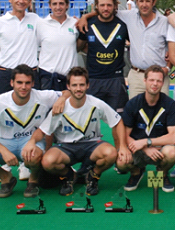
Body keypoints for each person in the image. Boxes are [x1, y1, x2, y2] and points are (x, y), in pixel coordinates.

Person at [25, 67, 130, 196]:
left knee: (111, 153)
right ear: (68, 86)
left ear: (88, 85)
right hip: (66, 147)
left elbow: (118, 122)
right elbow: (42, 130)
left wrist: (123, 147)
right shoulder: (60, 108)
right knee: (48, 161)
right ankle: (69, 175)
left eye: (82, 85)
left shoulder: (97, 104)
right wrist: (31, 142)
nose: (78, 89)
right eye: (74, 85)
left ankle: (93, 176)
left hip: (91, 145)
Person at [0, 65, 67, 198]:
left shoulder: (42, 96)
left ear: (33, 83)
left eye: (28, 83)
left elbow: (67, 93)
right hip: (6, 142)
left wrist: (61, 99)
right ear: (12, 83)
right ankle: (6, 178)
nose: (23, 87)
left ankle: (33, 181)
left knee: (33, 157)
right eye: (19, 82)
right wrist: (4, 151)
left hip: (31, 142)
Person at [77, 0, 170, 99]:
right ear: (136, 1)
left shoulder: (165, 21)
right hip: (136, 75)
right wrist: (85, 17)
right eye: (141, 1)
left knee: (163, 112)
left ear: (154, 2)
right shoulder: (129, 16)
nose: (144, 5)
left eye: (147, 1)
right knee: (135, 114)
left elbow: (174, 47)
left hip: (158, 75)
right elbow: (105, 12)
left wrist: (168, 67)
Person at [117, 65, 175, 193]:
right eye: (151, 80)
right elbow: (125, 135)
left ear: (163, 83)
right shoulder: (132, 103)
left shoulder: (170, 104)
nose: (155, 84)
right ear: (144, 81)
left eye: (158, 81)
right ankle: (136, 173)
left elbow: (173, 137)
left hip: (159, 148)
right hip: (138, 149)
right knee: (121, 162)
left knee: (171, 152)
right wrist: (145, 148)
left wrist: (147, 142)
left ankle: (162, 173)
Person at [77, 0, 129, 117]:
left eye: (109, 5)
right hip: (93, 79)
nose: (106, 8)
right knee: (88, 119)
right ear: (96, 7)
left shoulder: (123, 25)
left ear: (115, 6)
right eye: (102, 5)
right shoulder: (88, 25)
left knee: (119, 121)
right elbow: (78, 47)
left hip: (115, 79)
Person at [0, 0, 40, 97]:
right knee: (1, 112)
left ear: (29, 1)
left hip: (30, 75)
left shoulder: (36, 20)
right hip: (5, 75)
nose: (21, 1)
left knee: (33, 113)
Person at [36, 0, 79, 91]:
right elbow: (30, 47)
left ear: (67, 5)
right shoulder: (40, 24)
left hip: (70, 79)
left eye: (61, 4)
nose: (58, 7)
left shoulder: (75, 24)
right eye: (54, 4)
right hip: (47, 78)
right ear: (50, 6)